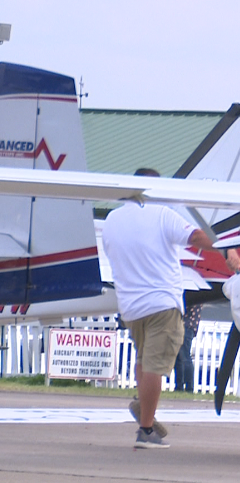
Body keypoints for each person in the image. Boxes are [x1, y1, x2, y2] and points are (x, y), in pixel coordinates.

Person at [103, 167, 217, 449]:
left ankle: (145, 408)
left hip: (130, 306)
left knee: (144, 361)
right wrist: (226, 247)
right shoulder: (162, 213)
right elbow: (196, 237)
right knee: (156, 365)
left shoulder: (112, 219)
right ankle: (146, 428)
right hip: (162, 302)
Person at [173, 303, 200, 392]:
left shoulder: (195, 298)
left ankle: (189, 387)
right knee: (178, 358)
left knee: (185, 357)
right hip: (184, 326)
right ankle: (179, 386)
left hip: (187, 326)